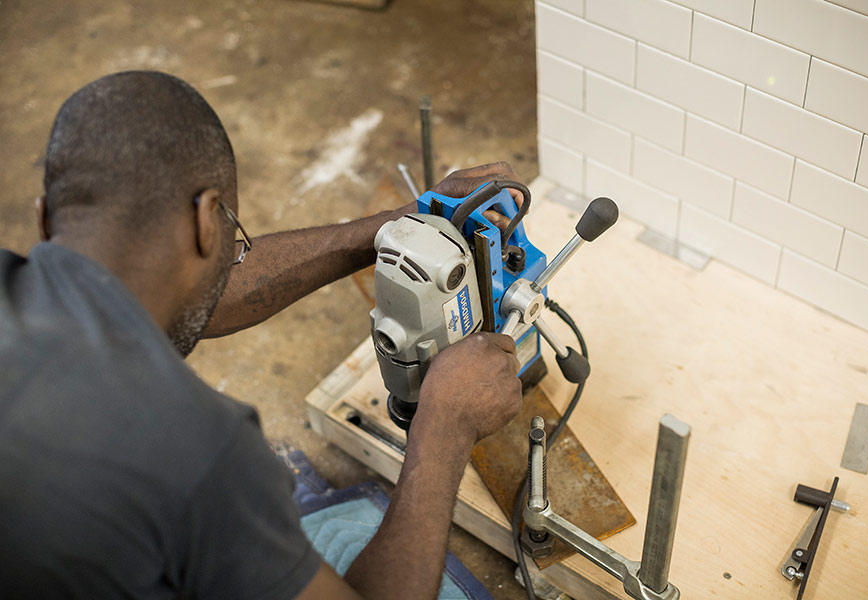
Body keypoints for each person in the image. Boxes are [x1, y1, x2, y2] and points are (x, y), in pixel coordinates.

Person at [0, 70, 524, 599]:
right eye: (231, 234)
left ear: (43, 219)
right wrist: (444, 429)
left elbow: (192, 287)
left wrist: (394, 227)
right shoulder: (200, 455)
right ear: (208, 220)